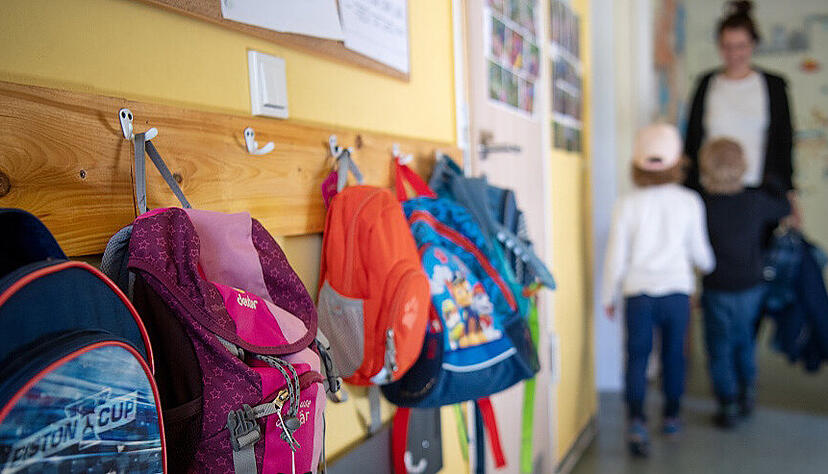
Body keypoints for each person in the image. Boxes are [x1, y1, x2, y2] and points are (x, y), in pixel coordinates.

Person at [602, 124, 715, 457]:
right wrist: (709, 267)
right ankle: (671, 417)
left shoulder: (627, 204)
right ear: (678, 162)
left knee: (637, 357)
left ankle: (636, 420)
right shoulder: (690, 202)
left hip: (638, 293)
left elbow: (616, 256)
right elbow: (702, 255)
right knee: (674, 357)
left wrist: (608, 295)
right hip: (678, 293)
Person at [698, 138, 791, 429]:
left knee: (719, 346)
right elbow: (783, 208)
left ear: (706, 168)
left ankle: (727, 403)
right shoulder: (755, 201)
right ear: (743, 165)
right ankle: (747, 392)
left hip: (716, 286)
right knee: (745, 340)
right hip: (751, 285)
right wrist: (774, 184)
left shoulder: (703, 205)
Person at [684, 1, 795, 200]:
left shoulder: (774, 86)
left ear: (753, 44)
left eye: (741, 46)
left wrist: (789, 191)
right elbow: (692, 140)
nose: (734, 54)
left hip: (760, 192)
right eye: (727, 47)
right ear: (719, 46)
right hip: (711, 192)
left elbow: (784, 141)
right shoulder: (706, 84)